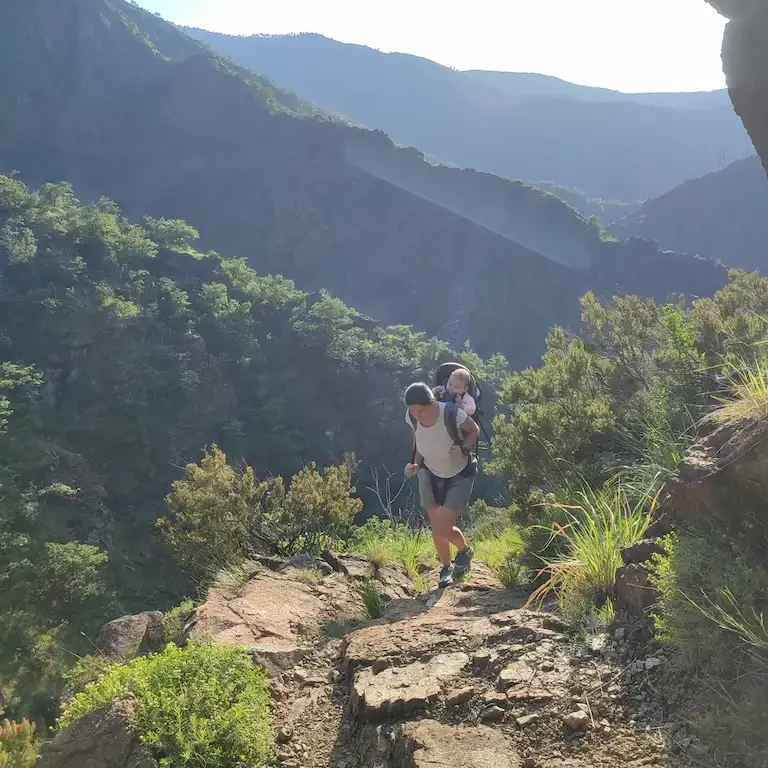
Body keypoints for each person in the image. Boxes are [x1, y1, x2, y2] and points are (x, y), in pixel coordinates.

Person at [403, 382, 479, 587]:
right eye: (412, 410)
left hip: (459, 472)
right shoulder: (412, 418)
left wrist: (463, 447)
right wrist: (415, 465)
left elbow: (473, 431)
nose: (417, 414)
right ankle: (447, 567)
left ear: (432, 402)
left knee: (442, 526)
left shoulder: (452, 413)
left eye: (421, 410)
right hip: (429, 472)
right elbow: (418, 442)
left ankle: (464, 551)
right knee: (437, 526)